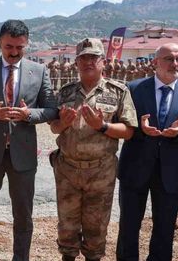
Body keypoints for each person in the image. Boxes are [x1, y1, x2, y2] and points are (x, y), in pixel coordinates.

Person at [0, 20, 57, 261]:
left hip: (23, 156)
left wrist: (30, 115)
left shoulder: (39, 71)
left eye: (20, 47)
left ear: (26, 44)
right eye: (9, 47)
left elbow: (51, 110)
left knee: (23, 216)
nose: (14, 52)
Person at [116, 43, 178, 261]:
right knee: (129, 226)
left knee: (165, 228)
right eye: (169, 58)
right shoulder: (134, 88)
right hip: (135, 168)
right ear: (155, 62)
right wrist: (139, 127)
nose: (175, 63)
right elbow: (118, 122)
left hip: (171, 171)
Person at [49, 38, 137, 261]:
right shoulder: (65, 92)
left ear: (103, 61)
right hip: (67, 170)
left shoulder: (118, 91)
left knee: (96, 228)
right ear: (76, 62)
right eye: (83, 58)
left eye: (93, 57)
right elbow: (54, 128)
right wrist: (64, 123)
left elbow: (128, 130)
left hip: (101, 172)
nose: (88, 62)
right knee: (66, 227)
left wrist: (102, 126)